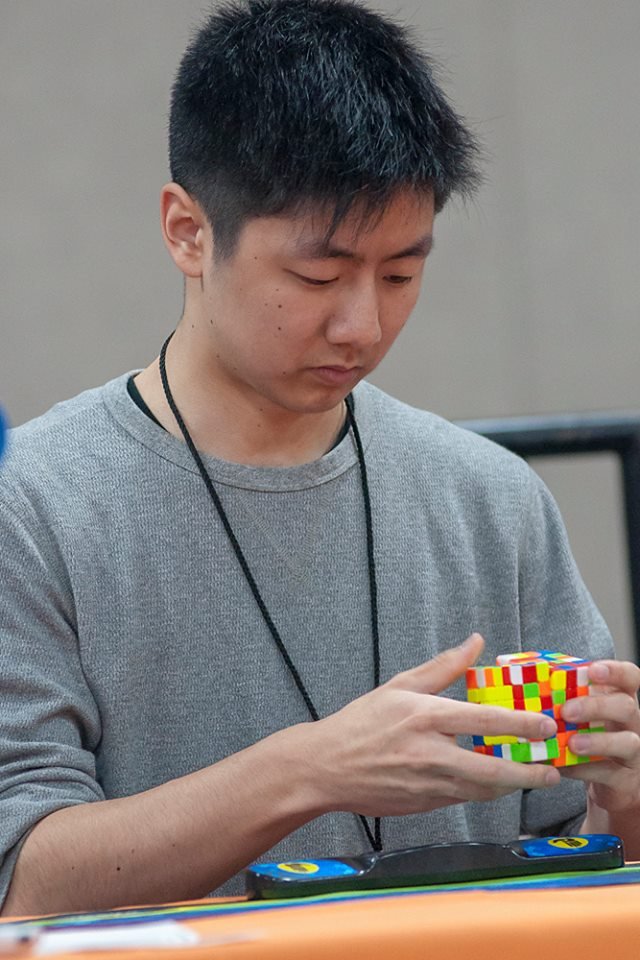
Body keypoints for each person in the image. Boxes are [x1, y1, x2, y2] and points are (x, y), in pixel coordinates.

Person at [1, 0, 639, 917]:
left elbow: (586, 865)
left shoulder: (489, 498)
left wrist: (627, 797)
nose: (363, 325)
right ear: (187, 231)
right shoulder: (33, 505)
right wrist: (309, 770)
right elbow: (19, 880)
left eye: (401, 273)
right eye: (318, 276)